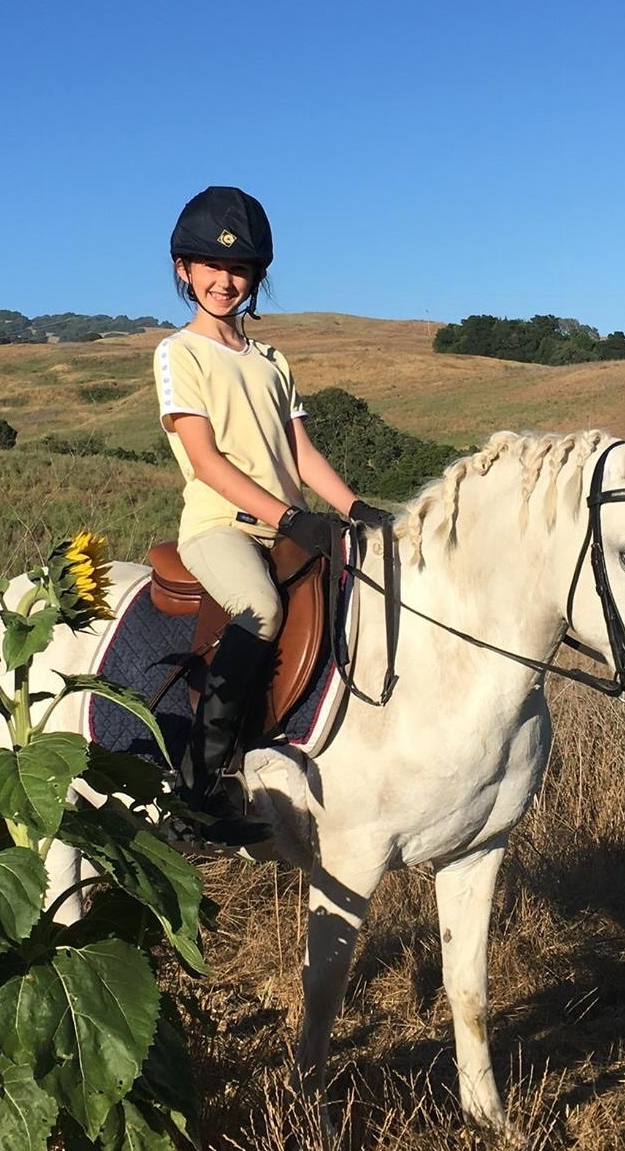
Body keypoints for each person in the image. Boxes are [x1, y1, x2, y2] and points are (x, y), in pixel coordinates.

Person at [154, 185, 390, 845]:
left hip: (287, 523)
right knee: (259, 608)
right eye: (210, 265)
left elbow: (300, 452)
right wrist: (287, 519)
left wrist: (355, 508)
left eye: (238, 269)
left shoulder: (272, 360)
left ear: (255, 277)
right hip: (220, 527)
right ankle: (198, 791)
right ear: (183, 269)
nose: (224, 280)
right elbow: (205, 461)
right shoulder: (179, 353)